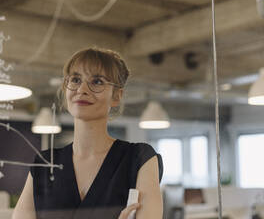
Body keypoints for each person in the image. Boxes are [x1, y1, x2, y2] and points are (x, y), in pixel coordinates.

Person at [13, 47, 163, 219]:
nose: (82, 89)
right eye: (76, 79)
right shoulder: (44, 165)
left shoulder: (139, 159)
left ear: (116, 96)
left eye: (97, 82)